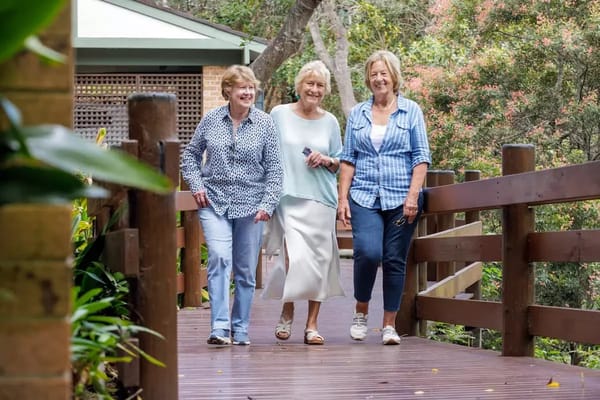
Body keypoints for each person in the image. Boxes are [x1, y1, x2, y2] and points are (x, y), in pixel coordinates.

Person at [181, 65, 283, 346]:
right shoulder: (211, 119)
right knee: (219, 258)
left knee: (246, 270)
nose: (248, 92)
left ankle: (241, 329)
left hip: (252, 206)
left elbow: (275, 169)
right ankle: (219, 327)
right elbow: (190, 155)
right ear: (228, 90)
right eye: (242, 87)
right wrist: (196, 184)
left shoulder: (265, 124)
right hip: (214, 201)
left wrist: (268, 203)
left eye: (251, 87)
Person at [337, 50, 431, 345]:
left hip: (403, 197)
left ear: (394, 77)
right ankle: (361, 311)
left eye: (384, 73)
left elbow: (421, 157)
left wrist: (413, 195)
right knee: (368, 252)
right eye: (374, 74)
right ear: (368, 79)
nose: (379, 78)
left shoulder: (411, 111)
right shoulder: (358, 114)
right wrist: (342, 199)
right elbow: (348, 159)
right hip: (364, 195)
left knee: (394, 259)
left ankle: (389, 324)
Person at [262, 60, 345, 345]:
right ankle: (287, 310)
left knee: (319, 262)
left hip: (321, 199)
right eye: (310, 83)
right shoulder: (279, 114)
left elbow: (340, 162)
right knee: (295, 259)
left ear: (326, 90)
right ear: (299, 86)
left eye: (320, 85)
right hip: (288, 196)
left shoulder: (330, 121)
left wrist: (326, 159)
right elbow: (267, 153)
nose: (314, 89)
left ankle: (312, 325)